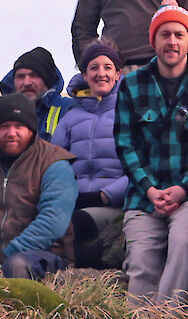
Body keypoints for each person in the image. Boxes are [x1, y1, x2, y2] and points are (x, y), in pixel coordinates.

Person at [113, 0, 188, 308]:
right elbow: (126, 144)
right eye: (164, 34)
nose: (172, 41)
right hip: (145, 196)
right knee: (141, 261)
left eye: (179, 35)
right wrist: (151, 190)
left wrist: (183, 189)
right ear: (154, 39)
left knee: (182, 244)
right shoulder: (131, 84)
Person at [0, 95, 79, 281]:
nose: (12, 132)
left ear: (31, 129)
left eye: (19, 126)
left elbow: (53, 222)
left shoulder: (54, 163)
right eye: (5, 126)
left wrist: (6, 255)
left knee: (16, 264)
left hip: (45, 257)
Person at [48, 40, 130, 268]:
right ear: (84, 74)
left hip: (116, 202)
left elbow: (140, 165)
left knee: (78, 224)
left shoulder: (128, 114)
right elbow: (54, 164)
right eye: (93, 68)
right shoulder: (70, 119)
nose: (100, 73)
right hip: (75, 200)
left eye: (107, 67)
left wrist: (105, 195)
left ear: (118, 73)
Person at [0, 47, 73, 141]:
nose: (27, 83)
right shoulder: (5, 115)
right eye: (21, 77)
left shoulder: (69, 110)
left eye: (34, 76)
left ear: (47, 80)